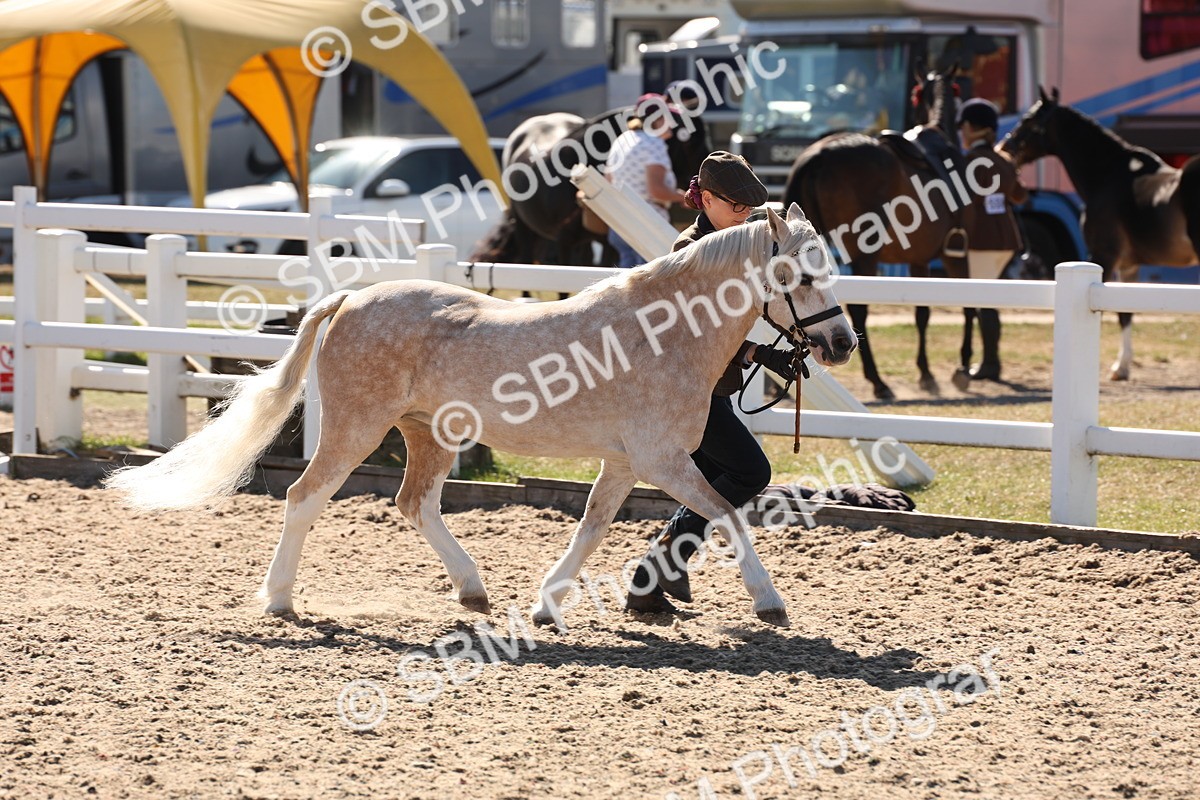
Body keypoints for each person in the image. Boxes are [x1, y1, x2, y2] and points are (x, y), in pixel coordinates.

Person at [625, 151, 799, 613]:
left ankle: (659, 571)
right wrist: (760, 352)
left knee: (717, 478)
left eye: (750, 207)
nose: (747, 214)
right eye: (736, 206)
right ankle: (655, 567)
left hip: (707, 387)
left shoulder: (743, 239)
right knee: (748, 472)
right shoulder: (691, 253)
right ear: (705, 199)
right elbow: (690, 332)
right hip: (685, 392)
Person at [956, 97, 1028, 384]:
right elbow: (1021, 196)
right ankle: (989, 361)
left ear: (973, 128)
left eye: (964, 127)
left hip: (981, 240)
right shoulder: (1003, 160)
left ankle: (990, 363)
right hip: (1007, 239)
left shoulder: (969, 162)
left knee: (984, 303)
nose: (961, 133)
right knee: (989, 302)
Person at [604, 94, 688, 268]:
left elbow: (608, 180)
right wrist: (683, 197)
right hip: (647, 222)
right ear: (657, 120)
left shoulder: (623, 139)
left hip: (621, 219)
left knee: (626, 278)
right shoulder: (654, 143)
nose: (671, 123)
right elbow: (656, 190)